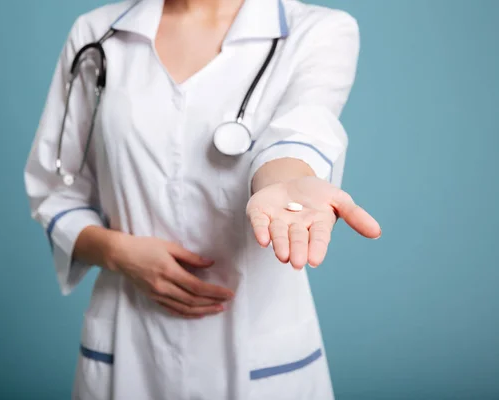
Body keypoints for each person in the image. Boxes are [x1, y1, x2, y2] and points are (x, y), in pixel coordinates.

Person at [24, 0, 381, 398]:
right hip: (130, 336)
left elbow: (300, 132)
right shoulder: (97, 31)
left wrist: (285, 183)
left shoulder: (318, 29)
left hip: (259, 347)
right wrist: (117, 252)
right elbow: (55, 189)